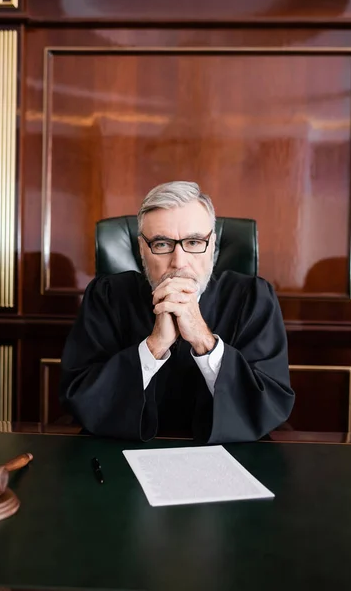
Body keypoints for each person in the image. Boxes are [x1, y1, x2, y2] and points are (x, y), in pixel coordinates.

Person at [60, 181, 295, 443]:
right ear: (141, 249)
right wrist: (154, 346)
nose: (179, 262)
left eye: (194, 242)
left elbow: (270, 404)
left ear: (213, 244)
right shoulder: (106, 296)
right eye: (161, 244)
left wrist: (204, 341)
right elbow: (80, 397)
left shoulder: (254, 297)